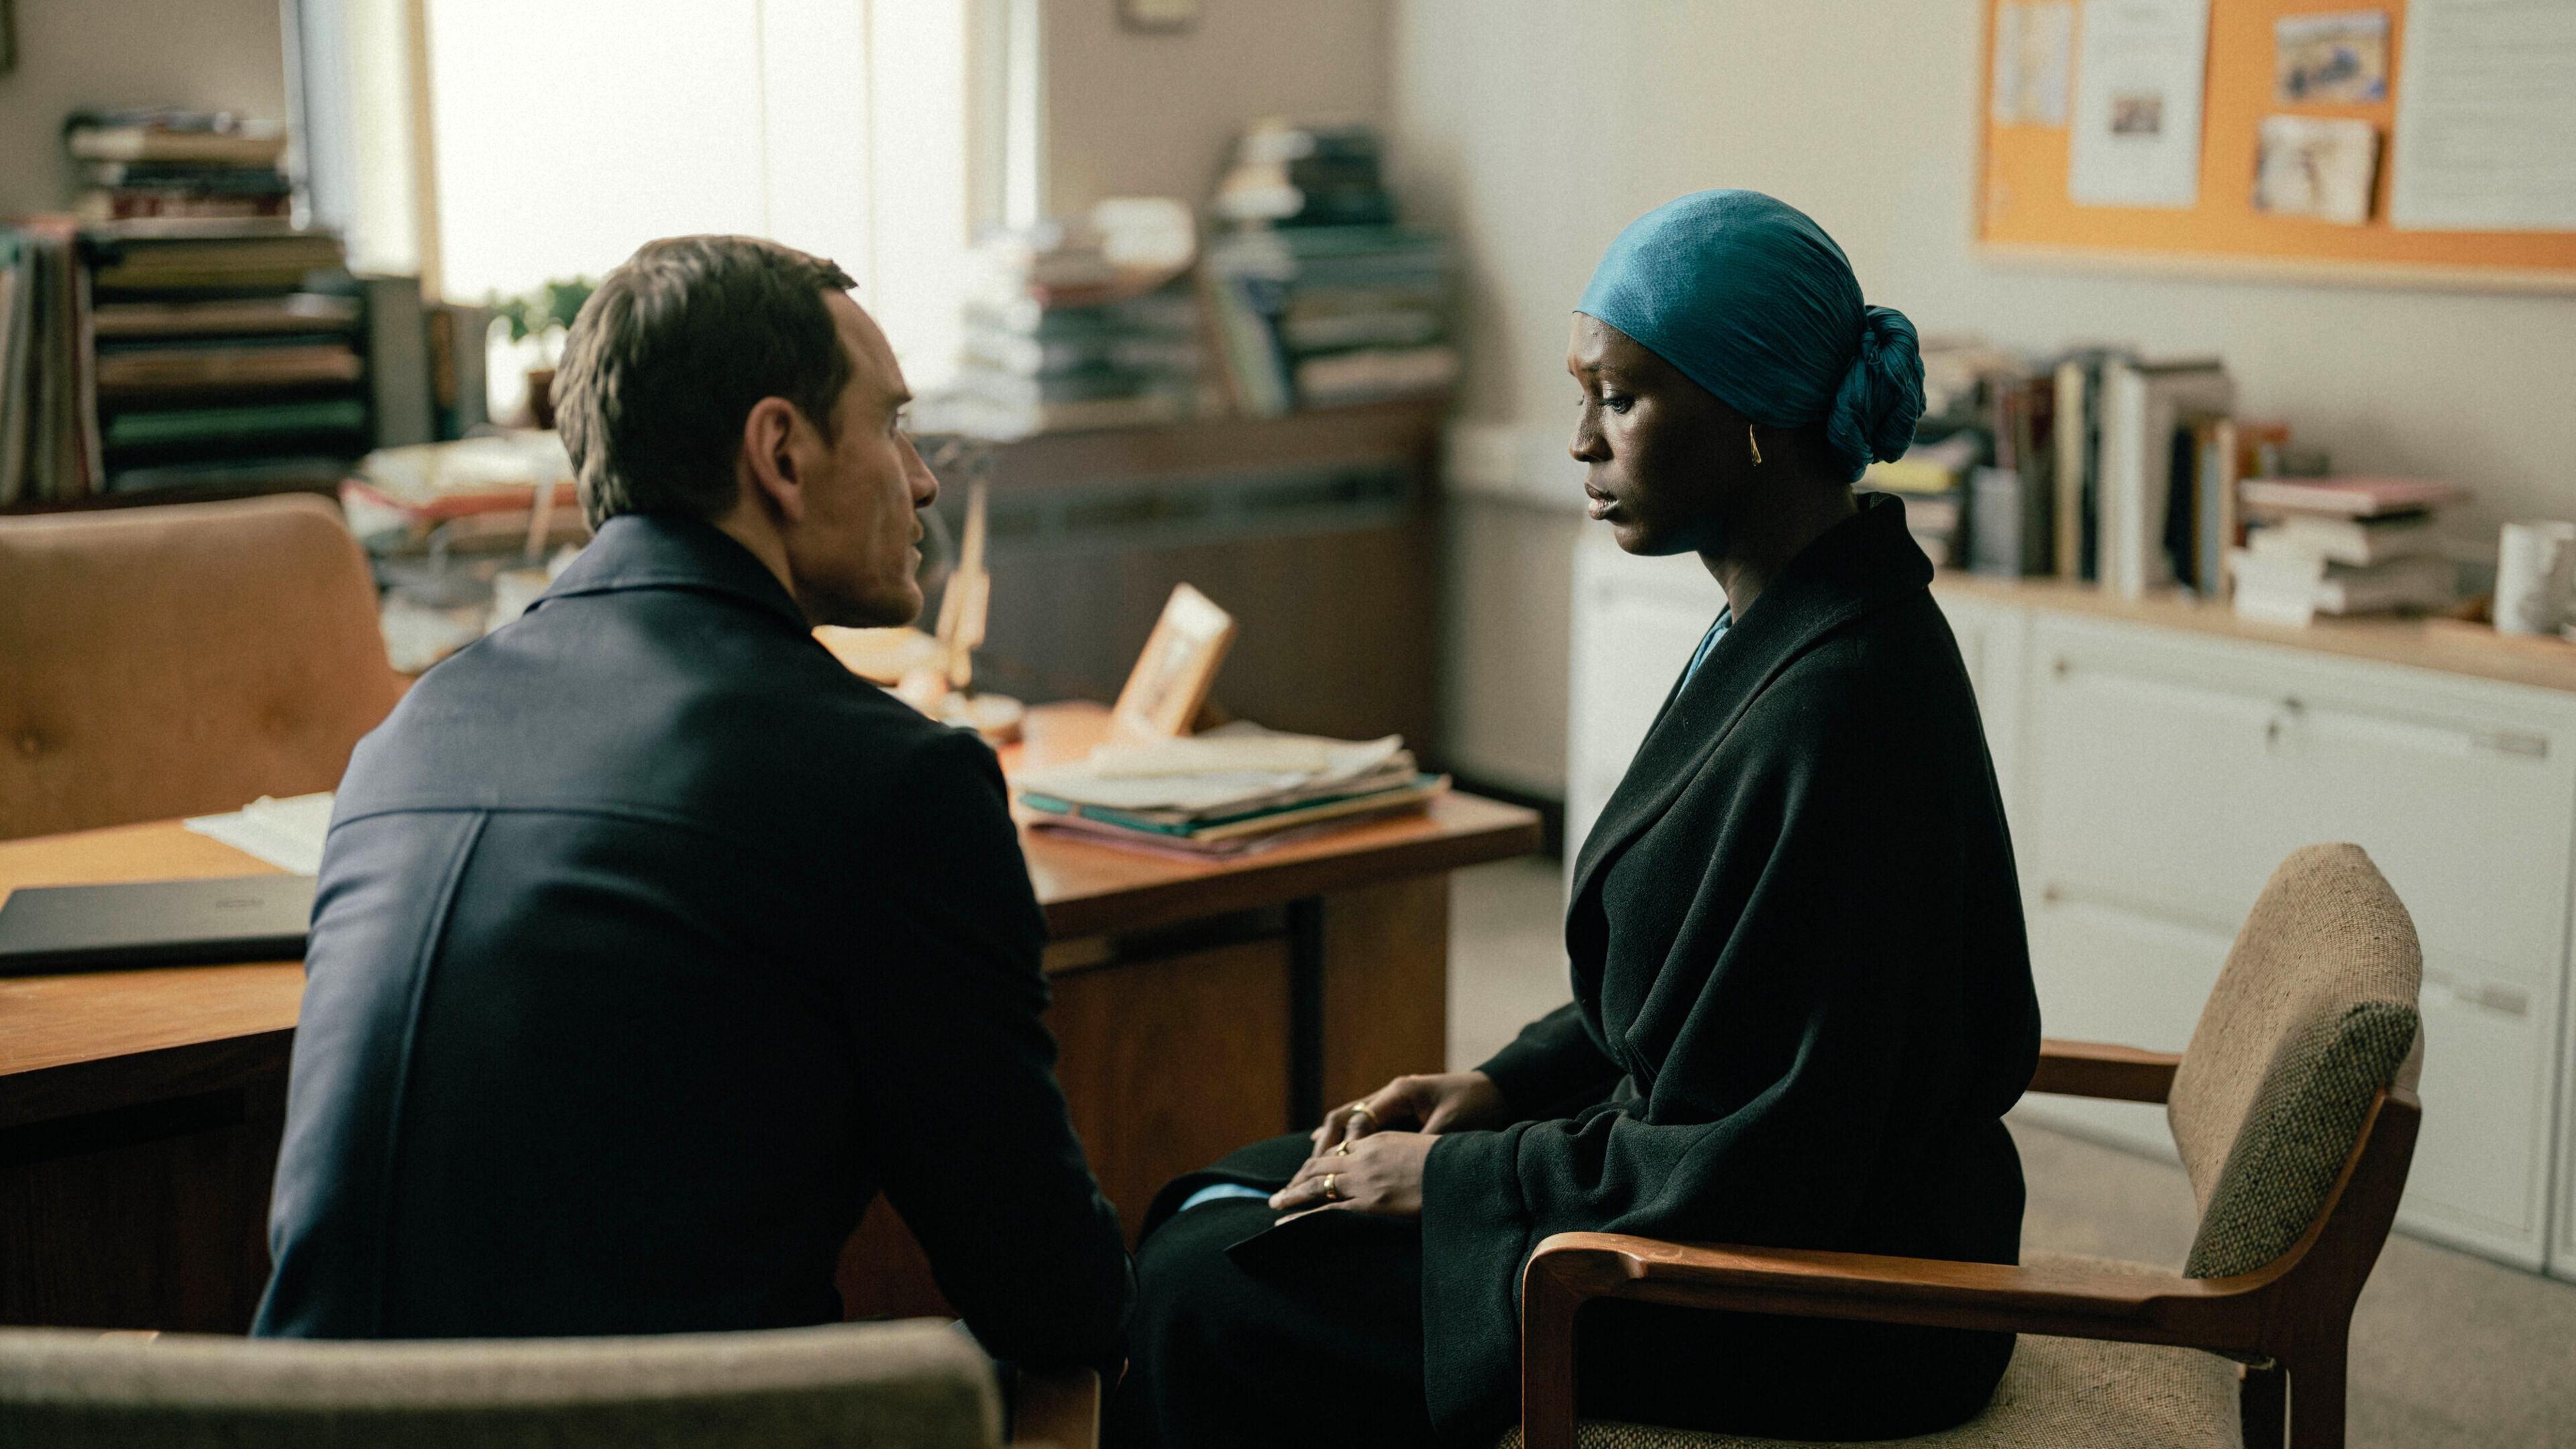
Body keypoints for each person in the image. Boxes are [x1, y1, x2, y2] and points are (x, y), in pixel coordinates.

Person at [1110, 191, 2041, 1448]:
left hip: (1822, 1297)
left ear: (1757, 414)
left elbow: (1772, 1158)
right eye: (1582, 395)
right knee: (1219, 1198)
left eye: (1622, 398)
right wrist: (1498, 1088)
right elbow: (1701, 1003)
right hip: (1718, 1200)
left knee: (1207, 1288)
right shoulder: (1785, 623)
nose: (1580, 442)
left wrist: (1459, 1178)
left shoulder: (1845, 705)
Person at [255, 236, 1131, 1367]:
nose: (920, 479)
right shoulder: (891, 781)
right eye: (892, 425)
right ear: (781, 452)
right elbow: (1048, 1295)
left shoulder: (404, 738)